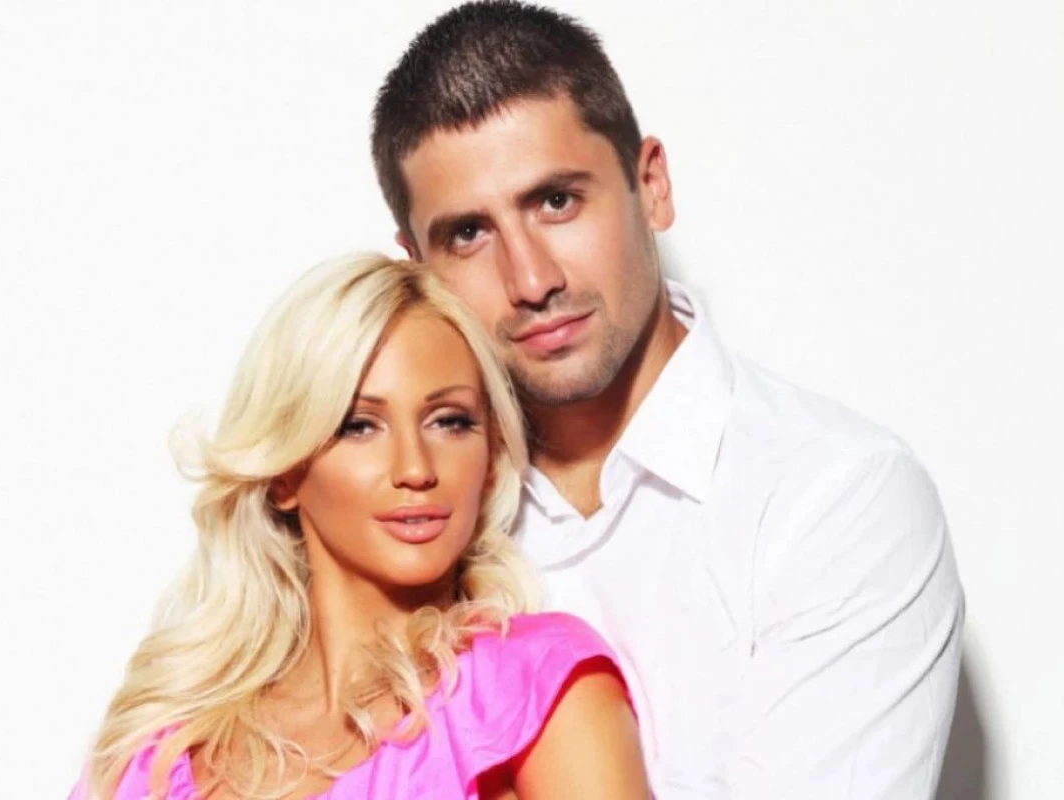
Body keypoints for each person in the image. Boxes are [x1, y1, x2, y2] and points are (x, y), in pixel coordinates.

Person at [370, 2, 966, 796]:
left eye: (556, 201)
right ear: (417, 268)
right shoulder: (405, 515)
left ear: (650, 185)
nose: (532, 280)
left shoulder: (837, 497)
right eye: (469, 235)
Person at [68, 254, 650, 800]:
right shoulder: (157, 751)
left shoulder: (533, 689)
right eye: (359, 426)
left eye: (449, 422)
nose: (416, 469)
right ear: (284, 473)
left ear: (492, 456)